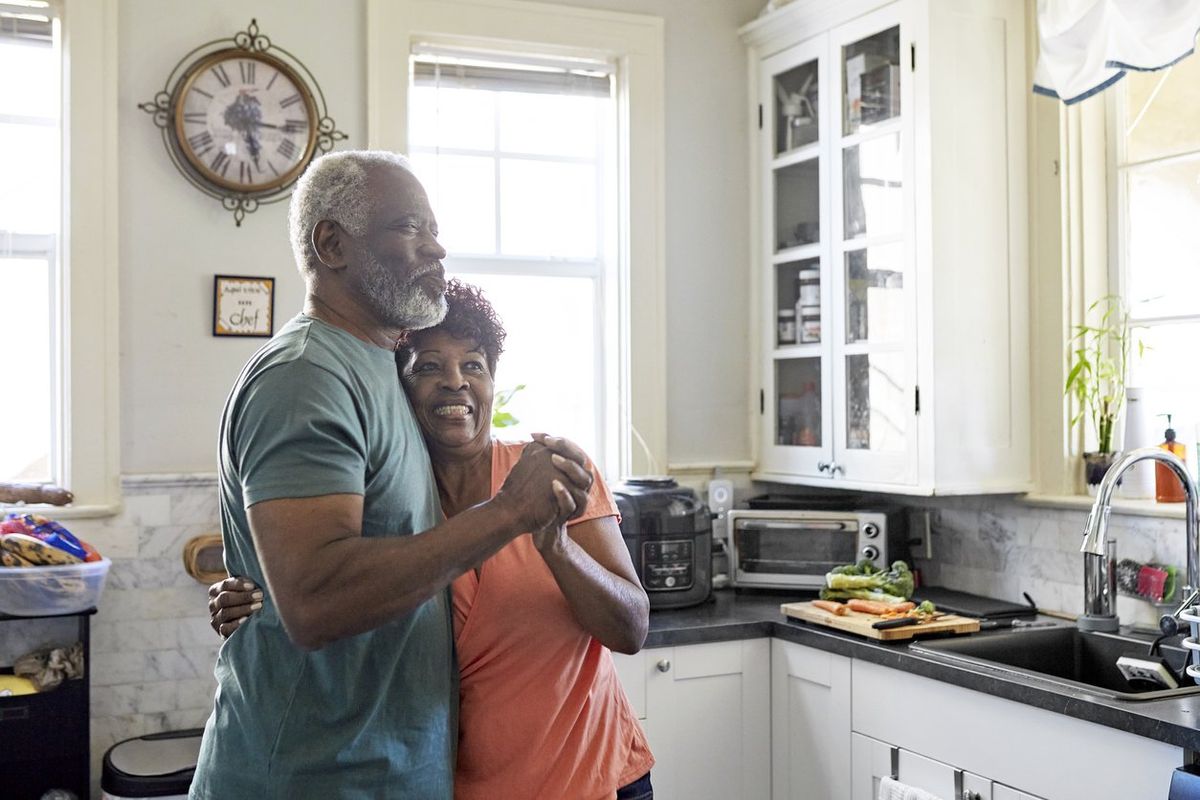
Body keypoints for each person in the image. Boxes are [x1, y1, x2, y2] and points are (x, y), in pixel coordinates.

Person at [191, 151, 595, 800]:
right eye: (411, 228)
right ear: (332, 244)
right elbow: (317, 601)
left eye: (435, 229)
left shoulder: (387, 370)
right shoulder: (306, 376)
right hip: (314, 778)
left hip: (391, 771)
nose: (438, 248)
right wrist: (506, 514)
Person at [211, 279, 656, 800]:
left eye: (473, 365)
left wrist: (553, 544)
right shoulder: (390, 508)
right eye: (428, 366)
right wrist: (259, 598)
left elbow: (631, 629)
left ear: (493, 380)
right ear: (399, 387)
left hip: (597, 779)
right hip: (458, 787)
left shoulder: (548, 472)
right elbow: (331, 594)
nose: (455, 382)